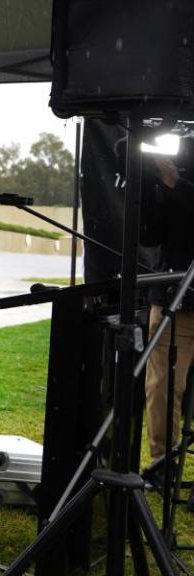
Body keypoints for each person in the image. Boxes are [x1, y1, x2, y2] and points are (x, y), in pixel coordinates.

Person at [141, 156, 194, 463]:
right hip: (174, 298)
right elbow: (147, 235)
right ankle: (162, 465)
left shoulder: (178, 181)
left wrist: (178, 185)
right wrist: (155, 186)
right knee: (162, 387)